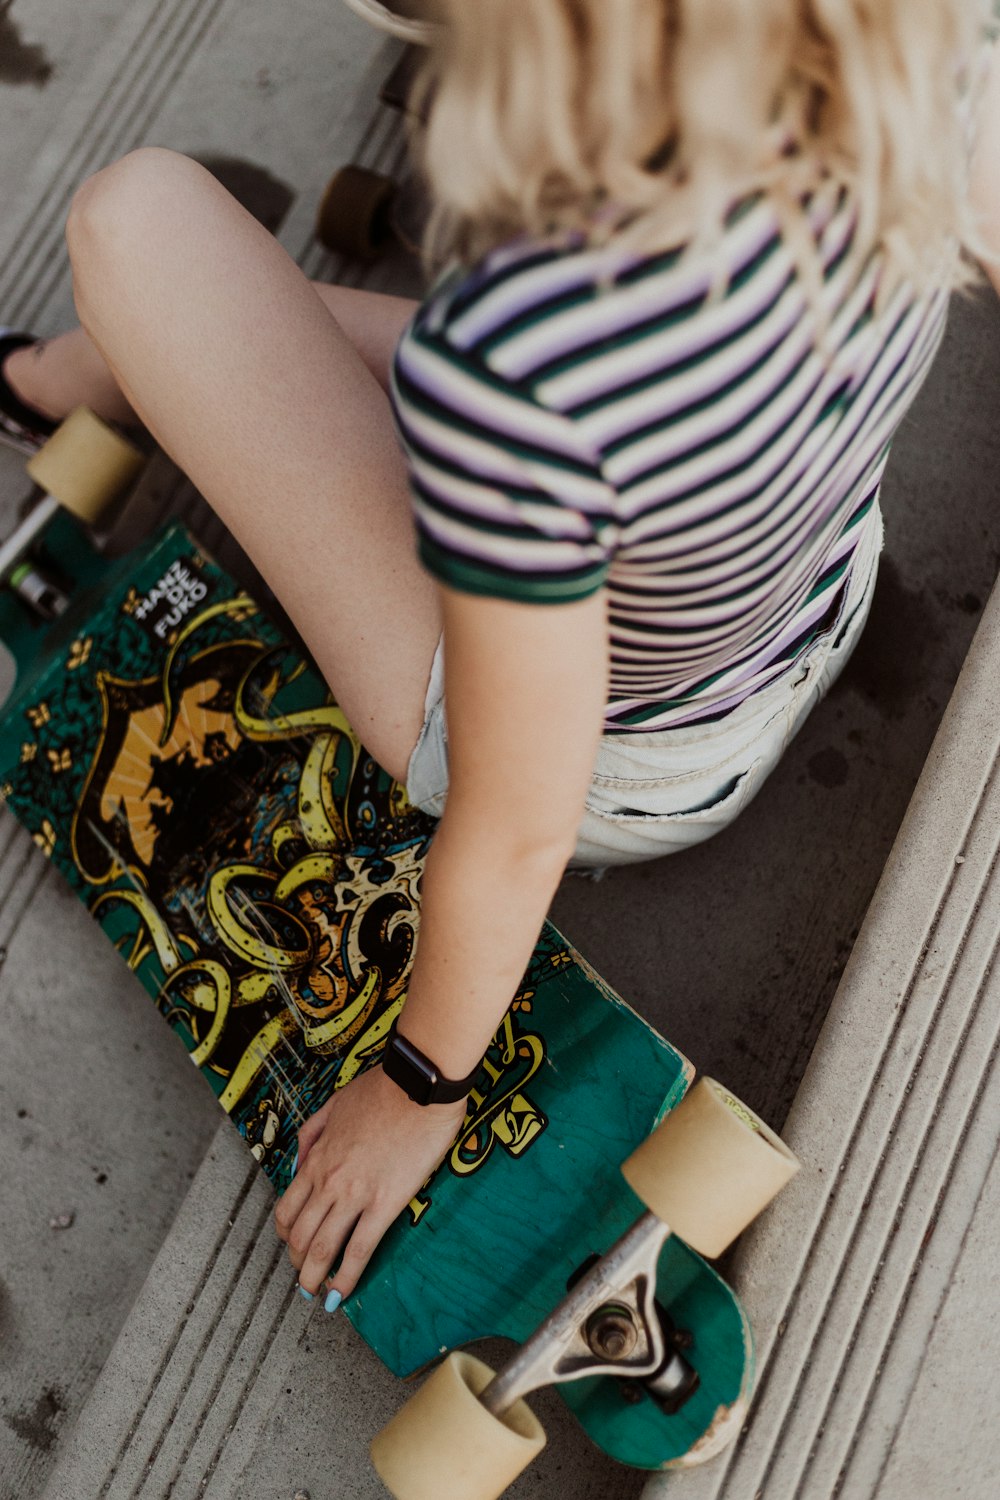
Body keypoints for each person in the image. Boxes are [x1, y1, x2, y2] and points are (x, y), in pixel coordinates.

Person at [1, 1, 996, 1313]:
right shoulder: (923, 60)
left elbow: (519, 818)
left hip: (614, 763)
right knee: (224, 313)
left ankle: (76, 378)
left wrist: (420, 1082)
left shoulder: (529, 363)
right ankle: (93, 372)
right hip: (799, 593)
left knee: (133, 223)